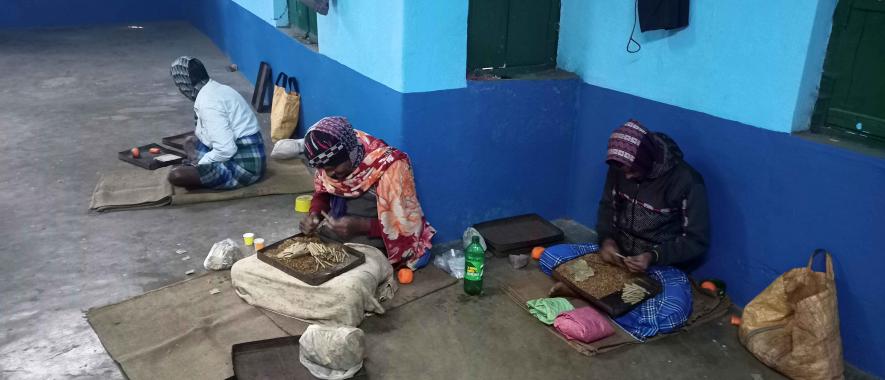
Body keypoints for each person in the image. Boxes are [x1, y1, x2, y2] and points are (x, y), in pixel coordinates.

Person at [299, 116, 435, 269]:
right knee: (308, 256)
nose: (329, 174)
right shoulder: (326, 159)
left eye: (334, 167)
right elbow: (323, 191)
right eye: (324, 169)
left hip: (379, 238)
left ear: (350, 153)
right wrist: (314, 214)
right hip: (341, 230)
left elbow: (404, 226)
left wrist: (361, 225)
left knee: (353, 270)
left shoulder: (389, 167)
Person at [596, 119, 710, 272]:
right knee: (556, 258)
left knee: (668, 297)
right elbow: (608, 206)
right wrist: (606, 239)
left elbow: (695, 241)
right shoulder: (620, 166)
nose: (627, 177)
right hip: (620, 254)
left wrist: (653, 256)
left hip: (660, 263)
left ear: (646, 160)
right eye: (624, 172)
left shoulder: (687, 182)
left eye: (633, 171)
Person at [167, 56, 266, 190]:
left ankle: (202, 169)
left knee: (176, 175)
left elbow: (227, 149)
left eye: (179, 84)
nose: (180, 89)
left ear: (185, 82)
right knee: (188, 142)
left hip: (244, 167)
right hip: (233, 150)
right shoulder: (215, 89)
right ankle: (199, 165)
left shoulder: (208, 102)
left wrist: (201, 164)